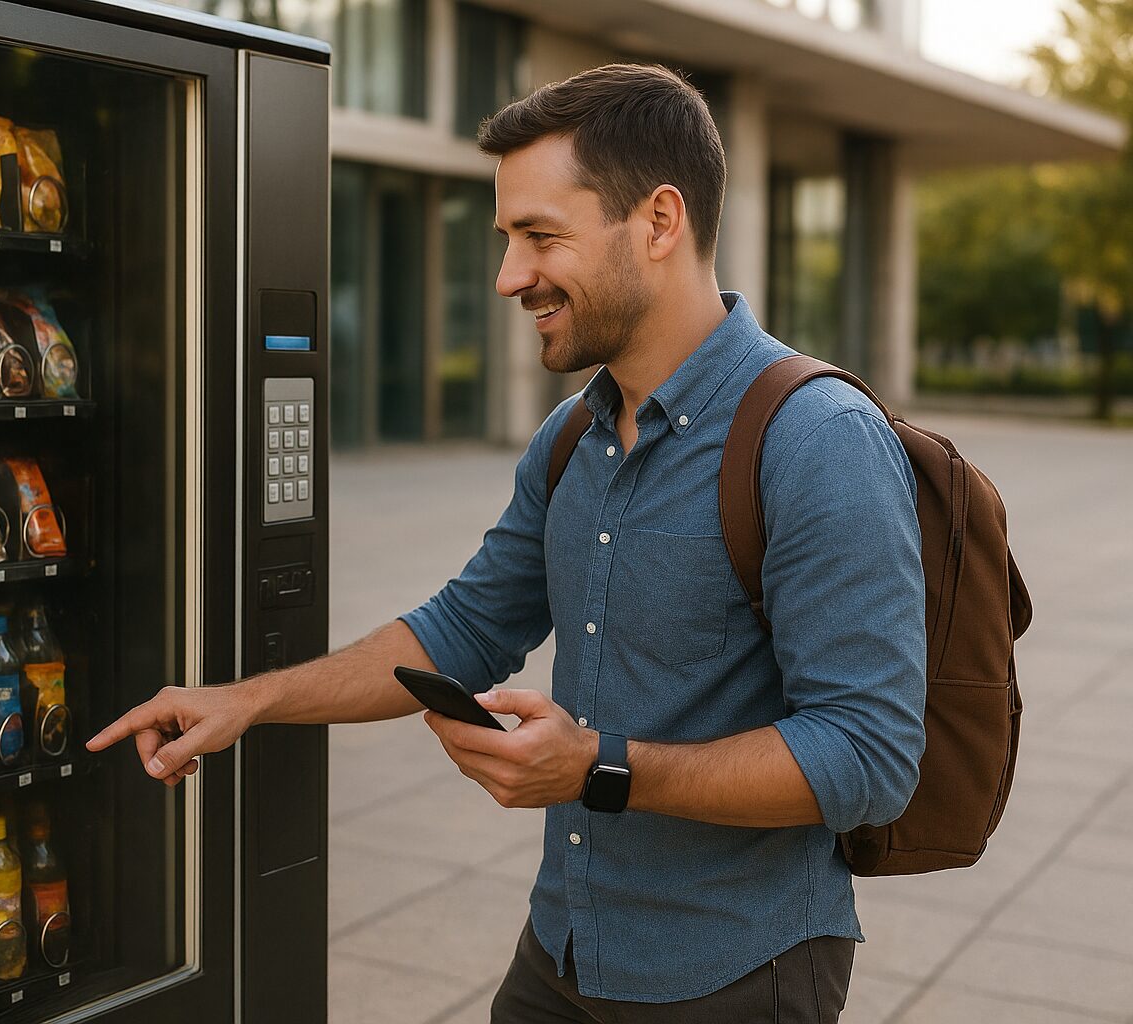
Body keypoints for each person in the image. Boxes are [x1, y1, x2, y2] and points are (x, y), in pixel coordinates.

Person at [88, 63, 926, 1023]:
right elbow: (465, 626)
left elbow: (869, 756)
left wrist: (599, 766)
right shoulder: (571, 436)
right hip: (564, 950)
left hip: (736, 973)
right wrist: (244, 702)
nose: (508, 277)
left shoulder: (816, 439)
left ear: (660, 223)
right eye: (506, 239)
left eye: (542, 237)